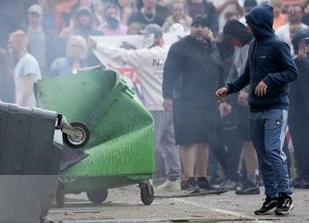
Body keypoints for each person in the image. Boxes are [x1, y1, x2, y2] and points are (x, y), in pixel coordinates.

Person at [216, 5, 298, 216]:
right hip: (256, 109)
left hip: (275, 108)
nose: (247, 26)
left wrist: (270, 80)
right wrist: (229, 88)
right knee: (262, 154)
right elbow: (247, 76)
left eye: (249, 23)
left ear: (259, 23)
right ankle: (271, 197)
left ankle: (285, 195)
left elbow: (291, 71)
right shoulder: (253, 46)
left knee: (273, 150)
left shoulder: (278, 46)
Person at [93, 24, 181, 191]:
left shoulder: (145, 55)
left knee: (151, 144)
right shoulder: (170, 51)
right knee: (170, 143)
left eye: (146, 35)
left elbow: (122, 55)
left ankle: (147, 179)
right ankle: (174, 179)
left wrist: (97, 46)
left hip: (155, 105)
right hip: (171, 103)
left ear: (155, 37)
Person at [163, 15, 224, 192]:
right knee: (189, 140)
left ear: (209, 30)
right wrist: (167, 96)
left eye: (203, 26)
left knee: (204, 140)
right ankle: (188, 179)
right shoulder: (180, 47)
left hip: (208, 100)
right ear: (191, 28)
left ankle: (202, 178)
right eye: (195, 25)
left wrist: (222, 97)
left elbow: (219, 71)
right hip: (185, 99)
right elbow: (169, 72)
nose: (198, 29)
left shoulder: (212, 47)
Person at [220, 20, 260, 195]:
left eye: (231, 39)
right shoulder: (239, 49)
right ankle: (251, 180)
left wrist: (249, 91)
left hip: (259, 100)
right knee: (247, 140)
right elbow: (233, 75)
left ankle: (260, 177)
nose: (230, 43)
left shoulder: (255, 46)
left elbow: (261, 71)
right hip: (243, 103)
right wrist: (225, 97)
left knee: (259, 142)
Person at [289, 28, 309, 189]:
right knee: (299, 144)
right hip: (296, 111)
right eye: (302, 41)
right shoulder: (292, 61)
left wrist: (305, 62)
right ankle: (303, 174)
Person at [8, 30, 42, 107]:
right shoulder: (21, 63)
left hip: (31, 111)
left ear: (20, 43)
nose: (8, 46)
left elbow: (29, 87)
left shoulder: (28, 60)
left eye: (11, 43)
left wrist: (20, 108)